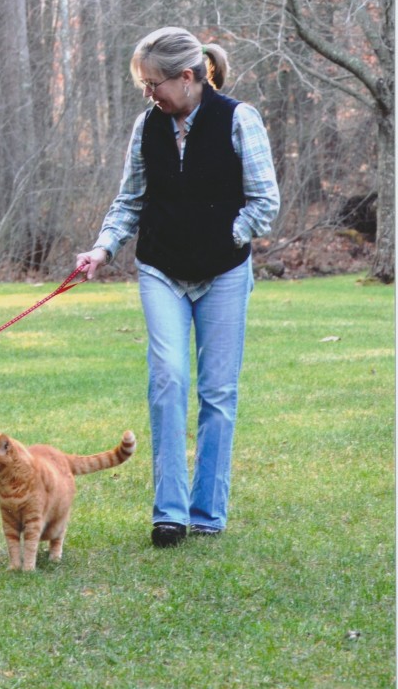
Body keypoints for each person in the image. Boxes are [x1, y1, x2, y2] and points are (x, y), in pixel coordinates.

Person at [76, 27, 280, 548]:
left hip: (225, 274)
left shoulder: (239, 119)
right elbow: (129, 201)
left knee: (218, 393)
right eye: (144, 85)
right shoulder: (147, 126)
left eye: (154, 84)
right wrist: (103, 248)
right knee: (167, 379)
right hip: (162, 270)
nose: (149, 94)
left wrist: (224, 235)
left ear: (187, 78)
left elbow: (265, 204)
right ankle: (169, 513)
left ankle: (207, 512)